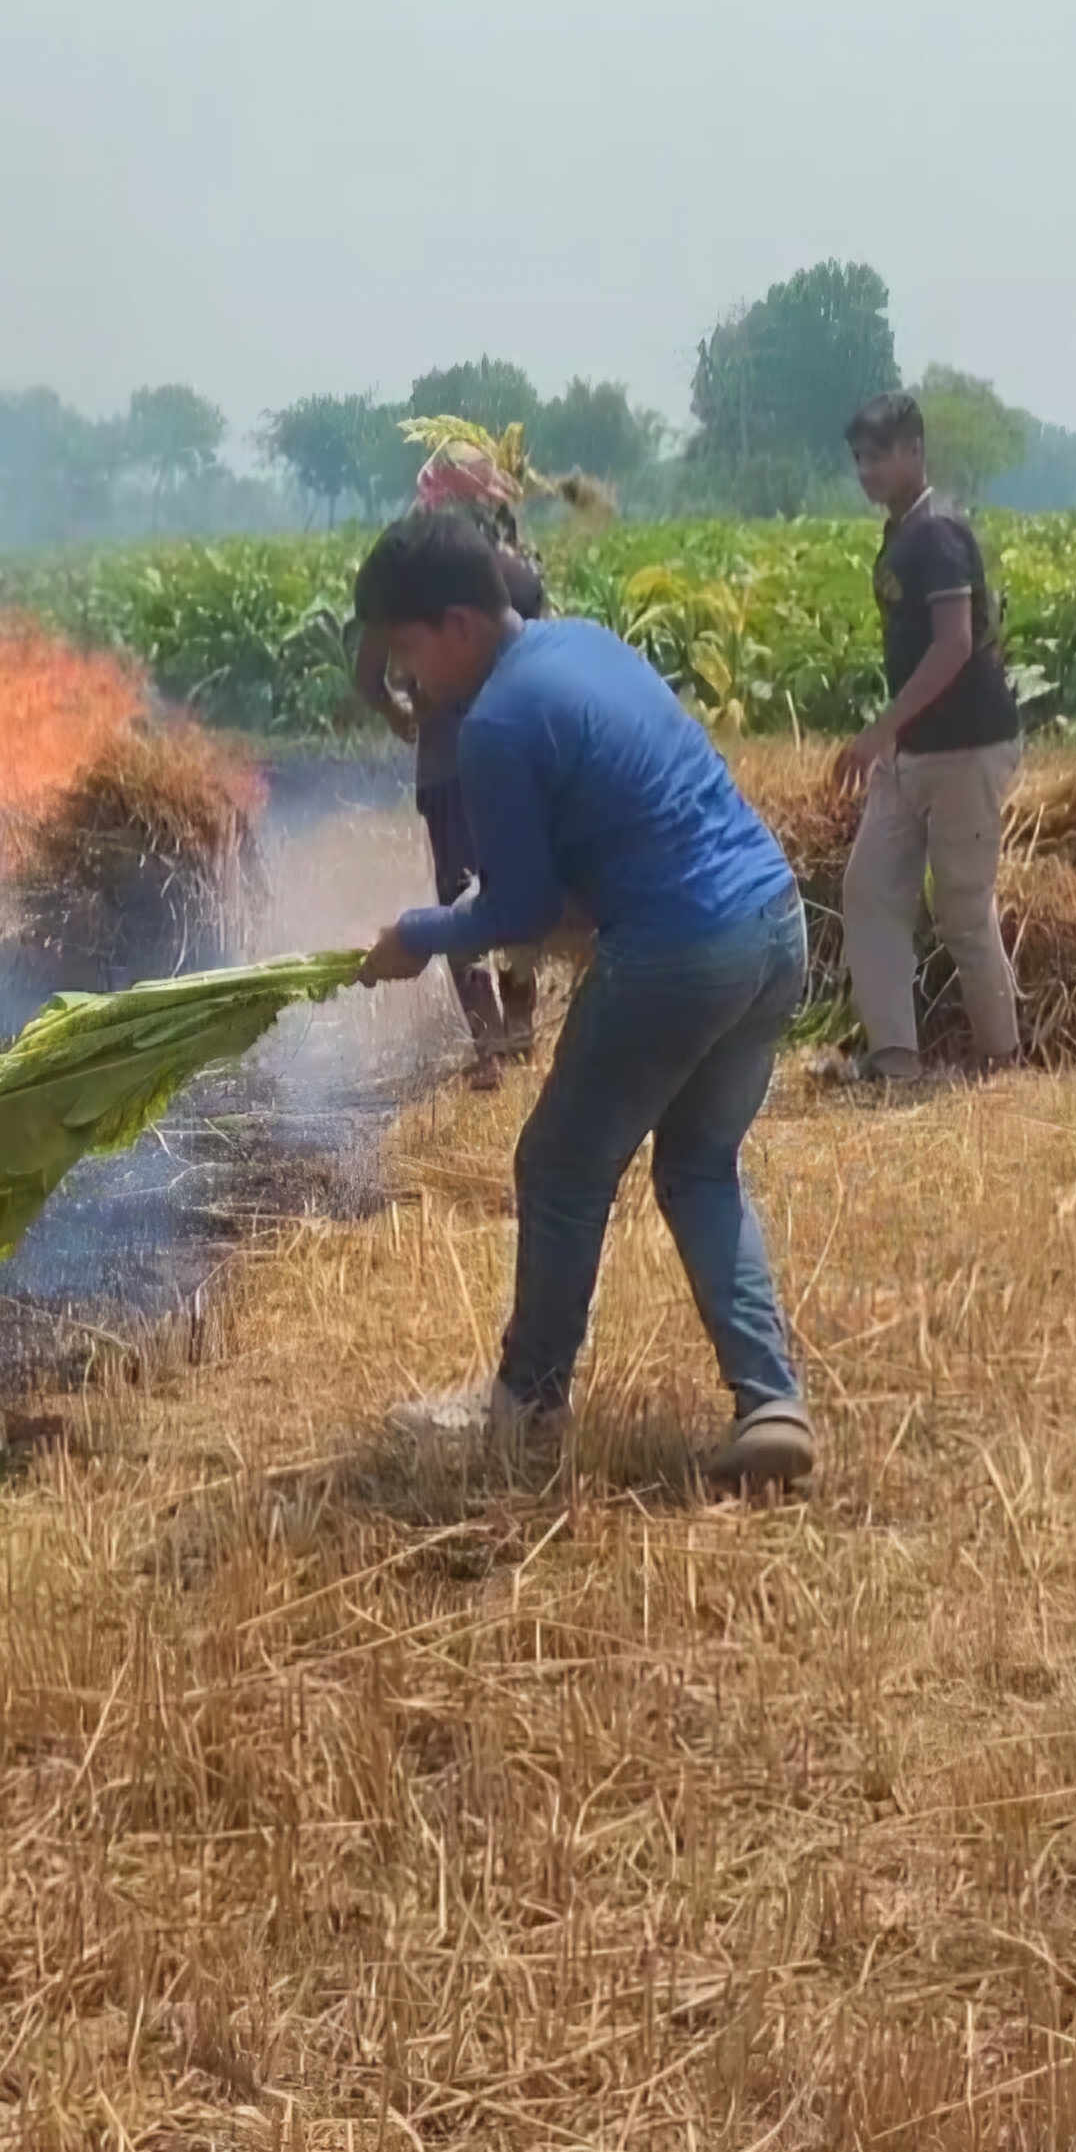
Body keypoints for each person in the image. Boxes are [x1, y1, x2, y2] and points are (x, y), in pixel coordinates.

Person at [355, 504, 819, 1489]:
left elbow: (518, 906)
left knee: (561, 1164)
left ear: (459, 626)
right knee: (697, 1167)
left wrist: (416, 934)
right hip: (774, 920)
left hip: (682, 951)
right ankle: (771, 1398)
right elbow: (587, 859)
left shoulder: (497, 725)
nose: (407, 680)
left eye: (407, 651)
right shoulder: (583, 642)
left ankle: (526, 1408)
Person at [830, 391, 1028, 1082]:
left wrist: (879, 729)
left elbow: (953, 647)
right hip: (913, 749)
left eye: (879, 455)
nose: (867, 470)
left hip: (966, 746)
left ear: (916, 450)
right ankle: (895, 1059)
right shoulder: (902, 532)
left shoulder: (938, 535)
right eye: (859, 458)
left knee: (962, 913)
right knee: (870, 888)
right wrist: (893, 738)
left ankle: (1001, 1062)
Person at [355, 441, 553, 1086]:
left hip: (447, 762)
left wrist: (395, 710)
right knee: (522, 877)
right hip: (520, 754)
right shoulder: (514, 567)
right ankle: (521, 1029)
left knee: (457, 889)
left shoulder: (412, 575)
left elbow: (368, 675)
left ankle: (489, 1048)